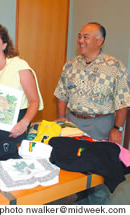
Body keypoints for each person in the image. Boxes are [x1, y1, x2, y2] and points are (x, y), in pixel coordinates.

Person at [54, 22, 130, 204]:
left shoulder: (115, 66)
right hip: (73, 123)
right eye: (79, 36)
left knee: (99, 174)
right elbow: (61, 94)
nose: (80, 40)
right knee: (76, 167)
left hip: (100, 125)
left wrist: (117, 129)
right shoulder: (70, 65)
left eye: (85, 37)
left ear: (100, 40)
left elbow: (123, 101)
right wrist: (62, 119)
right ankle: (81, 201)